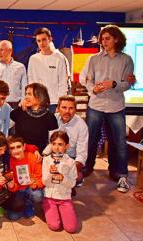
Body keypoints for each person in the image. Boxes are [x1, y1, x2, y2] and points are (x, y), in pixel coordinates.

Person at [83, 25, 134, 193]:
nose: (104, 41)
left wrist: (113, 84)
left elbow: (128, 84)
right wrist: (93, 89)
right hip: (96, 105)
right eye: (102, 38)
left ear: (117, 39)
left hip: (116, 106)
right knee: (90, 138)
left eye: (107, 38)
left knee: (118, 141)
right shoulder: (93, 59)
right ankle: (86, 168)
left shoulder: (126, 60)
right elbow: (87, 80)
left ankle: (119, 173)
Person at [43, 95, 88, 187]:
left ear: (75, 110)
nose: (67, 111)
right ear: (58, 108)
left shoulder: (82, 125)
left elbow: (82, 155)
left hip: (70, 158)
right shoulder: (52, 119)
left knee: (77, 177)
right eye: (64, 107)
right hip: (51, 155)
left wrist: (68, 170)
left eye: (71, 108)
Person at [42, 130, 78, 233]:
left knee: (71, 228)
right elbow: (44, 182)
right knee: (54, 226)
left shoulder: (70, 162)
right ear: (50, 145)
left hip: (64, 198)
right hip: (49, 197)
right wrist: (50, 173)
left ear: (67, 146)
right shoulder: (46, 160)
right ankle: (48, 209)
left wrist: (63, 178)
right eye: (54, 144)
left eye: (60, 144)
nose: (57, 147)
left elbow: (72, 183)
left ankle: (64, 211)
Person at [27, 27, 69, 112]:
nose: (41, 43)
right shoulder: (33, 59)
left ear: (50, 39)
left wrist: (61, 103)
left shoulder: (59, 58)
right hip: (37, 102)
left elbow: (63, 83)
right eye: (38, 41)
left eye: (44, 40)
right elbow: (31, 82)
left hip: (54, 103)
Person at [11, 83, 58, 153]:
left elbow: (53, 141)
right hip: (20, 154)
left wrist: (44, 154)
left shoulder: (50, 117)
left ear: (40, 97)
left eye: (29, 94)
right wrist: (19, 107)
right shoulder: (19, 112)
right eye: (26, 94)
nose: (26, 97)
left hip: (40, 155)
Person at [6, 136, 44, 220]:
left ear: (24, 147)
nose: (16, 150)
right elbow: (12, 185)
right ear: (9, 151)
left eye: (18, 147)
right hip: (17, 191)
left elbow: (40, 177)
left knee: (37, 195)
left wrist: (36, 184)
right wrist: (12, 187)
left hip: (30, 189)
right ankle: (19, 204)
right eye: (12, 148)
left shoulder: (33, 158)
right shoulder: (9, 162)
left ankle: (28, 204)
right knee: (13, 217)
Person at [0, 40, 27, 108]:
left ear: (10, 51)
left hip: (15, 105)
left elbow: (25, 87)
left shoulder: (20, 67)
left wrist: (23, 101)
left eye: (1, 50)